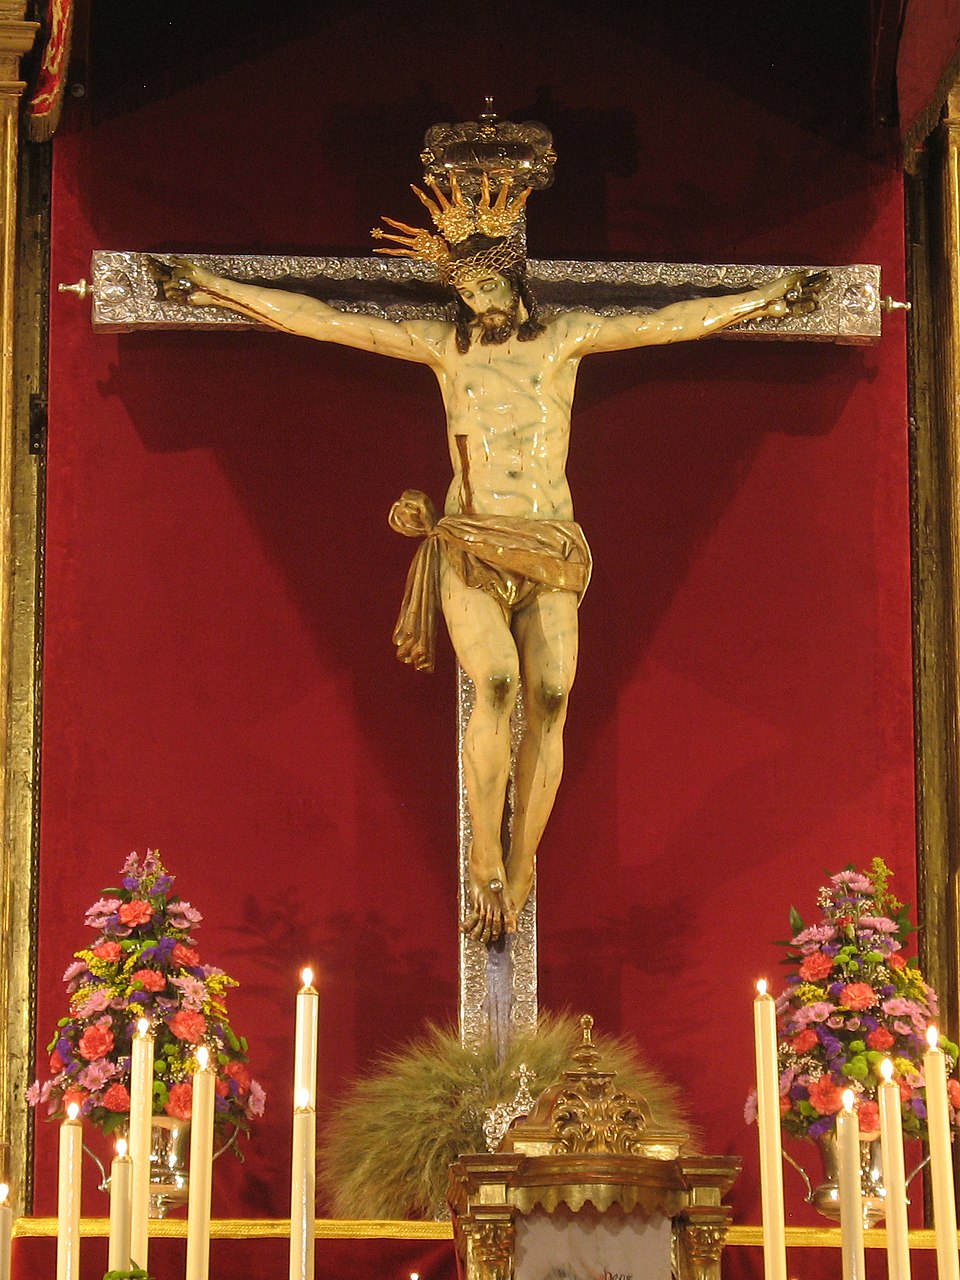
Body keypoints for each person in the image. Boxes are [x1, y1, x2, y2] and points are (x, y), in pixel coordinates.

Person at [150, 173, 825, 945]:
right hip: (472, 539)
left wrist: (768, 298)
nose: (479, 302)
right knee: (497, 680)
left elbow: (670, 323)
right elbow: (325, 321)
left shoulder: (564, 339)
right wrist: (211, 286)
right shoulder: (445, 350)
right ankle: (484, 857)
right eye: (466, 292)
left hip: (550, 544)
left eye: (488, 285)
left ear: (514, 276)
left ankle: (522, 856)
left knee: (553, 696)